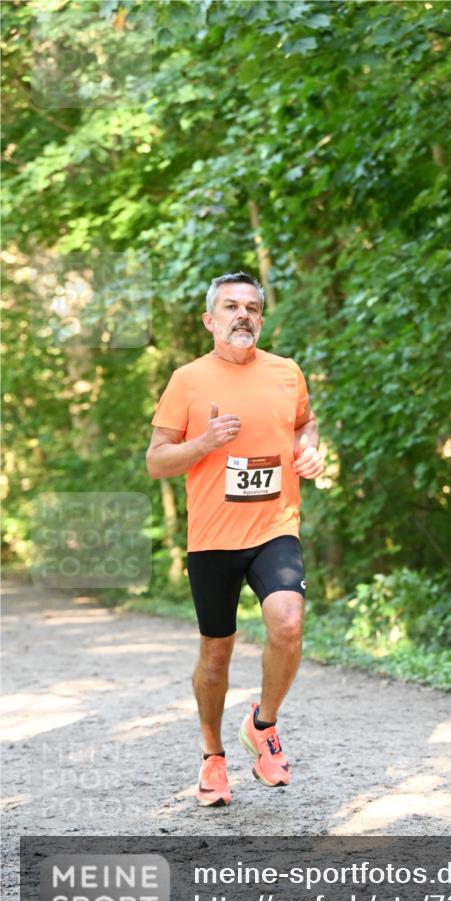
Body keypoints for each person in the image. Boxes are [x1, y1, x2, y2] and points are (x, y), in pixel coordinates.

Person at [146, 272, 323, 807]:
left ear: (261, 319)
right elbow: (156, 462)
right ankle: (213, 757)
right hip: (212, 538)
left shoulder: (286, 373)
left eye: (251, 307)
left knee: (288, 622)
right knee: (215, 657)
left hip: (274, 528)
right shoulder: (187, 380)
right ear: (210, 320)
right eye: (230, 306)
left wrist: (310, 449)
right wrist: (203, 442)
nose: (241, 314)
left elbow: (304, 425)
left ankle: (262, 725)